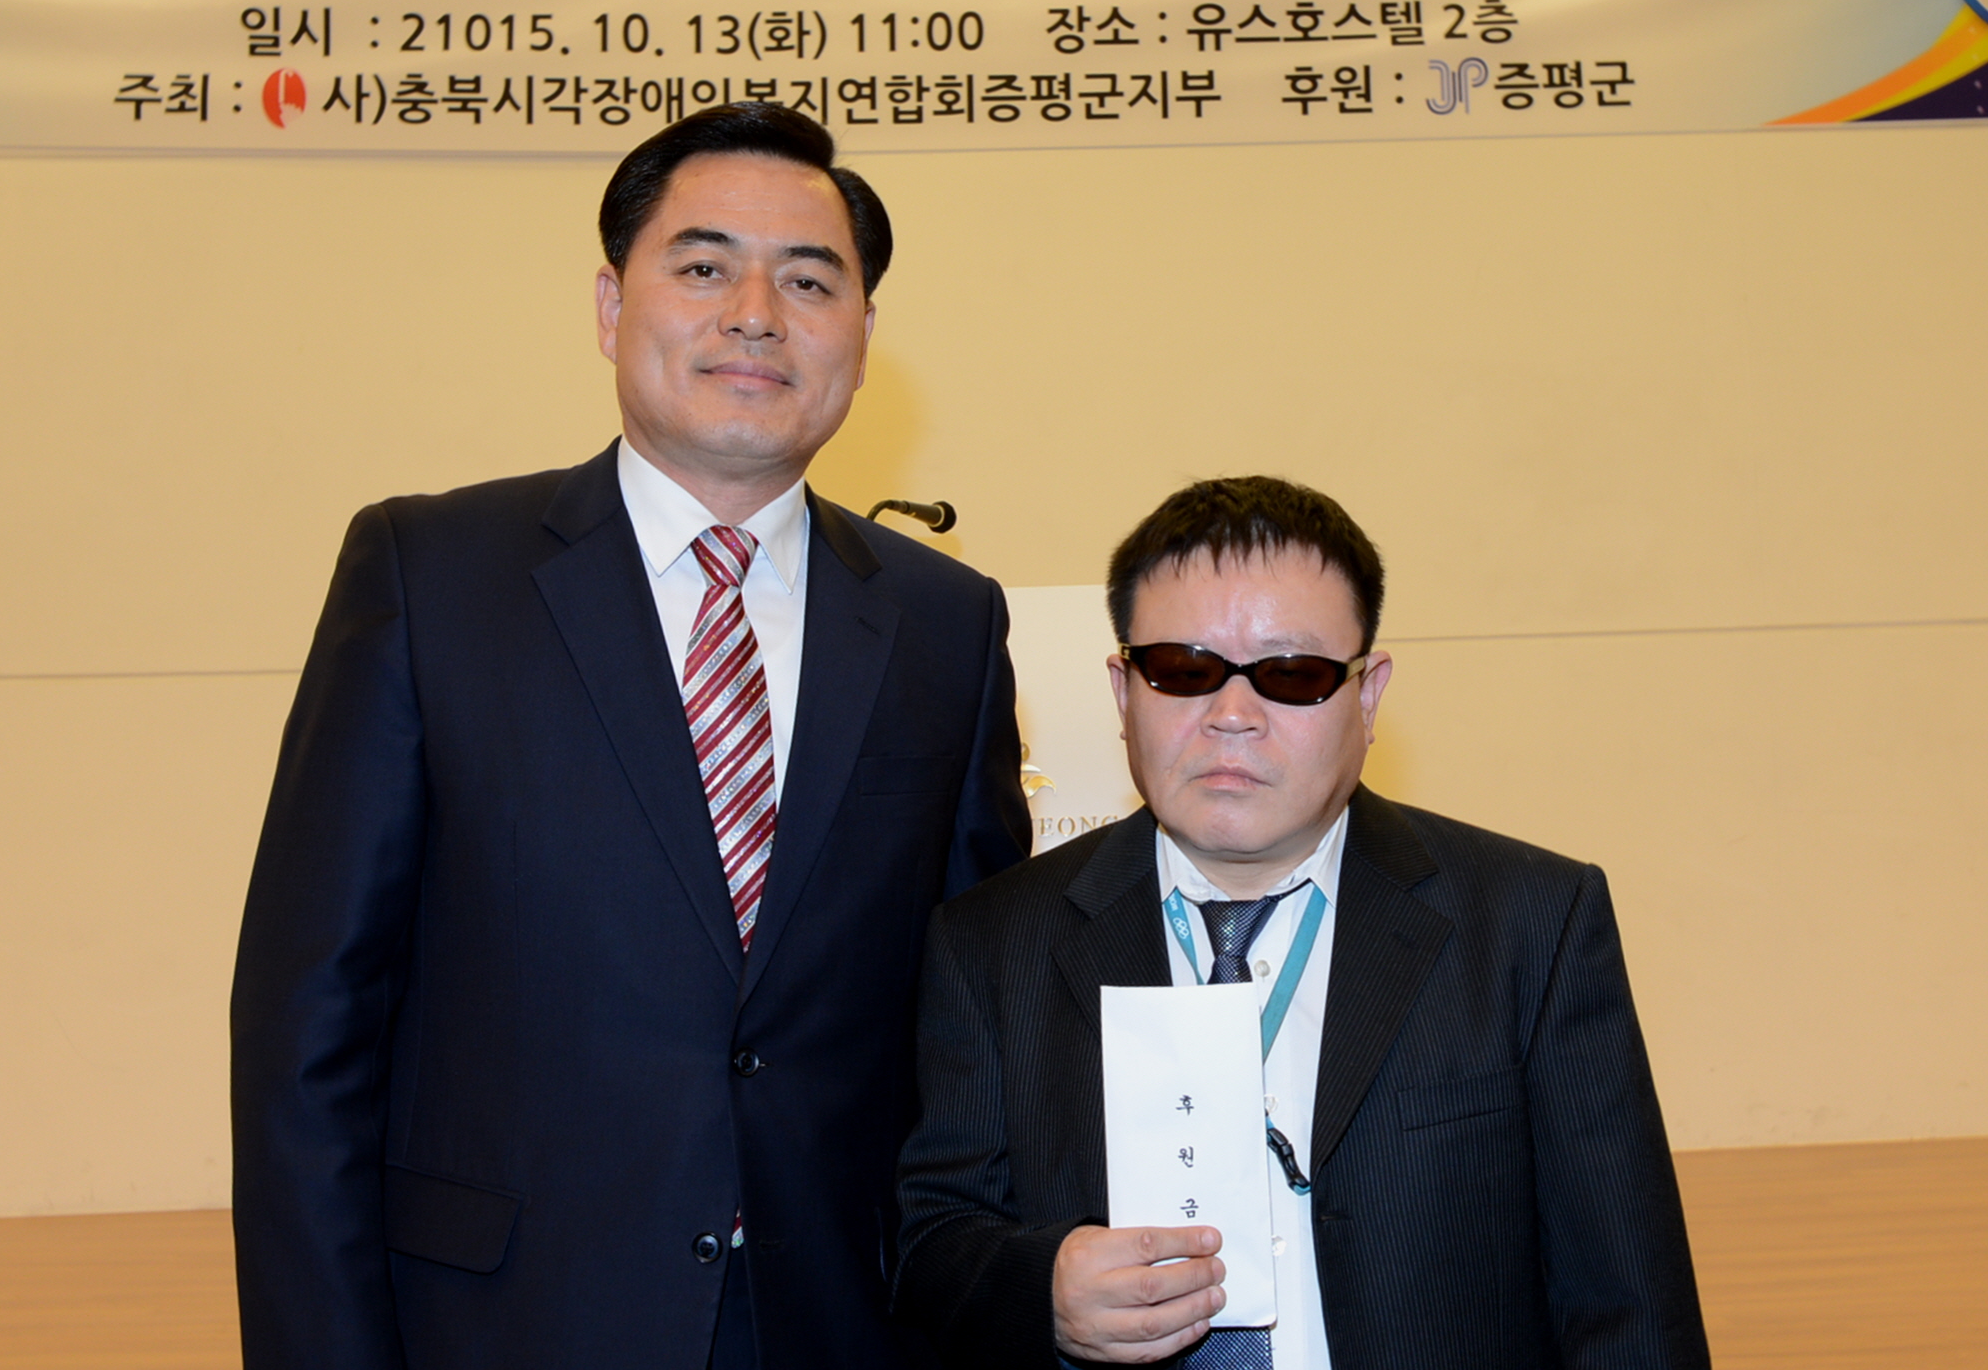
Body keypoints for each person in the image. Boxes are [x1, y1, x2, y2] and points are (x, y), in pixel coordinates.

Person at [232, 102, 1031, 1370]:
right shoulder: (431, 576)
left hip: (841, 1319)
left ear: (864, 335)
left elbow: (981, 1023)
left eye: (809, 280)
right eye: (703, 267)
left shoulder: (947, 623)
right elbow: (309, 1023)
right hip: (502, 1321)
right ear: (612, 306)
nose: (755, 314)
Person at [894, 476, 1708, 1370]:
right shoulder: (991, 943)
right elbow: (933, 1240)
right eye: (1184, 670)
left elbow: (1629, 1304)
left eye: (1291, 675)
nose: (1231, 716)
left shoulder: (1529, 923)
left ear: (1367, 695)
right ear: (1123, 692)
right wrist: (1041, 1289)